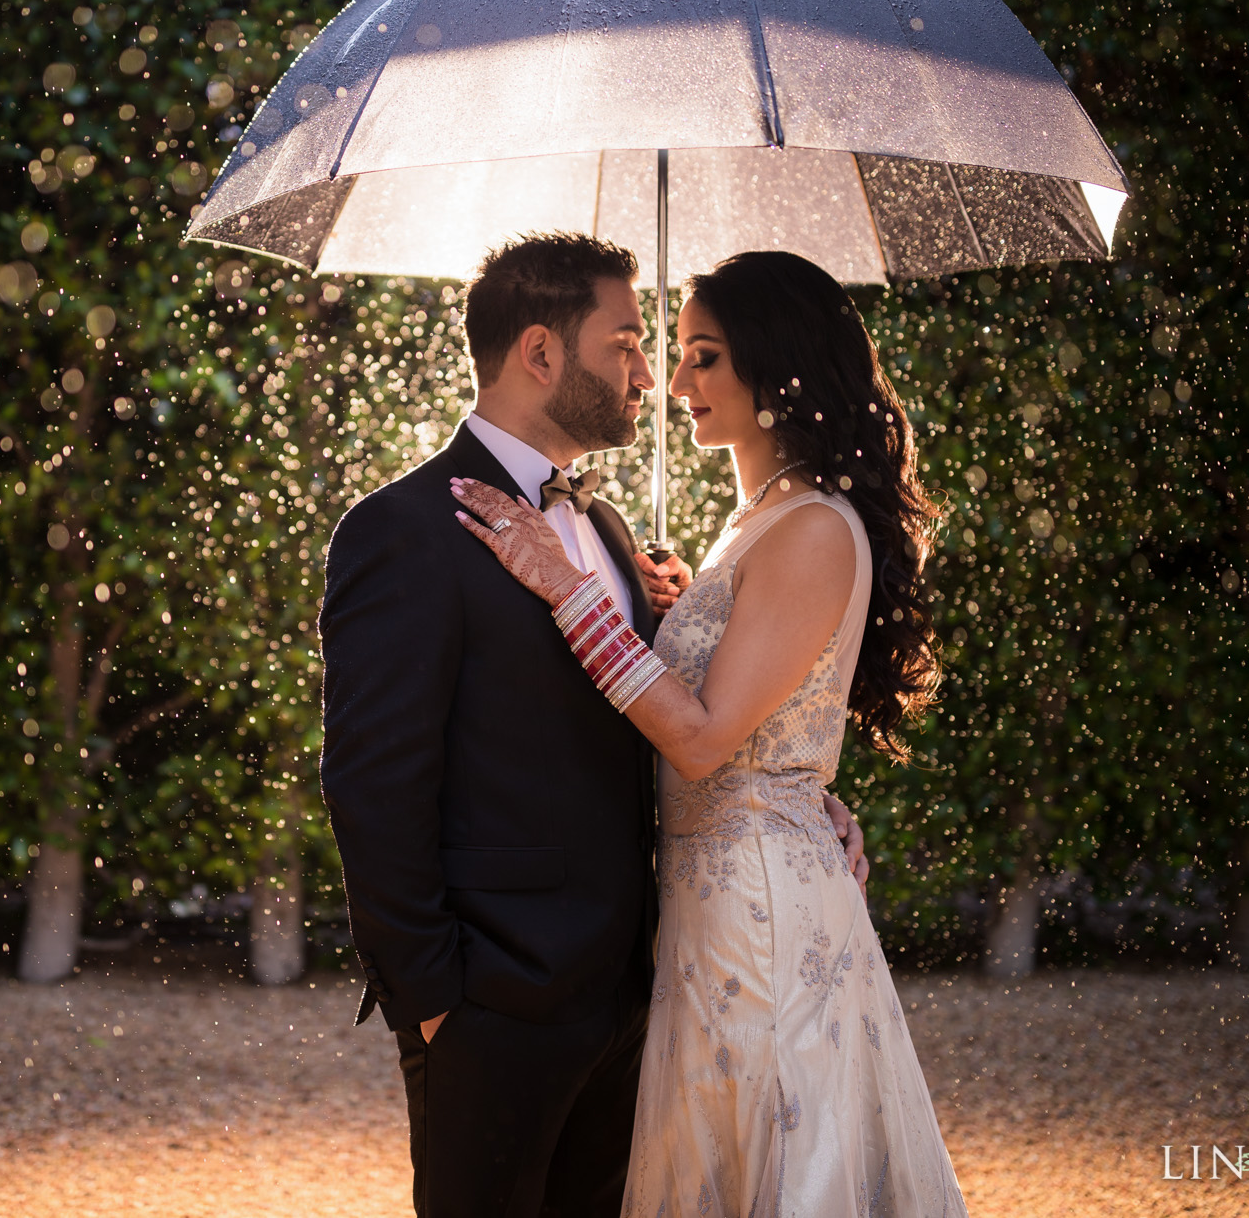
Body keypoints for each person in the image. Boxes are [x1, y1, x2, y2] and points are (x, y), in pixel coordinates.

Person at [319, 234, 866, 1218]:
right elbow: (373, 785)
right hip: (495, 1009)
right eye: (623, 344)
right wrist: (438, 1004)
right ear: (539, 353)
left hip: (640, 995)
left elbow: (673, 719)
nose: (648, 375)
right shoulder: (398, 530)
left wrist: (791, 794)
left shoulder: (607, 530)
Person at [452, 250, 968, 1217]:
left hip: (763, 920)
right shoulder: (755, 522)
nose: (674, 381)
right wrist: (676, 617)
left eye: (704, 357)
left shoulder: (814, 526)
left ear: (778, 373)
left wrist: (570, 591)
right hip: (706, 915)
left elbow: (701, 741)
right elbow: (759, 704)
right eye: (676, 353)